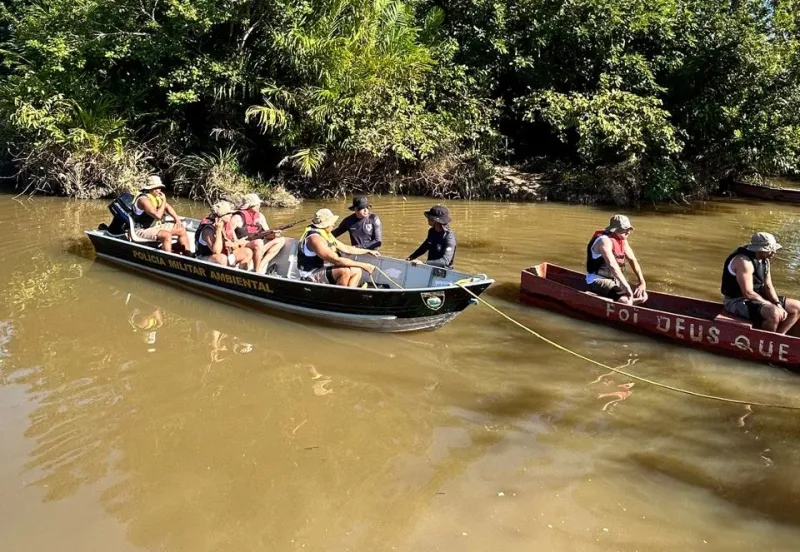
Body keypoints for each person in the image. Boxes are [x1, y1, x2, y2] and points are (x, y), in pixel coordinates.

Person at [721, 232, 800, 334]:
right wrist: (770, 305)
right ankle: (767, 342)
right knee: (773, 313)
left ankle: (779, 337)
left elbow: (768, 286)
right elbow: (748, 293)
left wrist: (777, 304)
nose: (774, 252)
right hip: (737, 301)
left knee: (797, 307)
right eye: (770, 250)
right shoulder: (743, 262)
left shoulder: (765, 260)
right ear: (760, 250)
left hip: (757, 297)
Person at [297, 208, 380, 287]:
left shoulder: (326, 234)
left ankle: (350, 294)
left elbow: (346, 248)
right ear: (325, 225)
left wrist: (367, 251)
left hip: (323, 269)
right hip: (310, 274)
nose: (333, 225)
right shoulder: (315, 239)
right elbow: (337, 261)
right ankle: (339, 295)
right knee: (345, 271)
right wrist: (364, 265)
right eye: (332, 223)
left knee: (357, 270)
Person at [585, 214, 648, 305]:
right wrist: (626, 286)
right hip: (598, 279)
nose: (628, 232)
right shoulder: (604, 241)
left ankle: (624, 302)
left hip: (615, 279)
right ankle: (607, 300)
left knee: (643, 296)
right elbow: (612, 265)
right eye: (624, 229)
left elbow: (632, 260)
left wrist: (642, 282)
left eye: (629, 229)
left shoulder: (622, 240)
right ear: (614, 229)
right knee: (625, 300)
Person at [131, 176, 191, 254]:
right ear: (149, 188)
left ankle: (188, 255)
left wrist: (177, 219)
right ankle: (169, 259)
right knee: (166, 235)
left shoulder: (157, 197)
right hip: (143, 229)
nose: (158, 190)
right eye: (154, 188)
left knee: (181, 229)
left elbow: (168, 208)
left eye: (159, 187)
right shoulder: (143, 200)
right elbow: (158, 216)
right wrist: (164, 200)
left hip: (156, 225)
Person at [230, 193, 286, 274]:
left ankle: (260, 267)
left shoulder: (260, 216)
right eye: (256, 205)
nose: (259, 206)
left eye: (259, 204)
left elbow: (267, 233)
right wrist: (237, 242)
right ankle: (256, 272)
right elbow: (230, 234)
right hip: (245, 244)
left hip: (258, 244)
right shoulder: (237, 218)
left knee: (281, 240)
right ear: (248, 206)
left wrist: (274, 234)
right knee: (259, 242)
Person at [194, 201, 253, 270]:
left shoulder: (227, 225)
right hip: (205, 257)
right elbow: (216, 251)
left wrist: (234, 244)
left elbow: (235, 245)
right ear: (221, 216)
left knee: (247, 252)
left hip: (225, 255)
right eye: (228, 213)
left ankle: (240, 276)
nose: (231, 215)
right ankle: (223, 277)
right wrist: (218, 230)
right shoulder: (208, 230)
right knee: (222, 259)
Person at [406, 205, 457, 269]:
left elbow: (445, 261)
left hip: (443, 271)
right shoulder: (432, 231)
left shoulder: (449, 238)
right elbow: (424, 247)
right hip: (430, 267)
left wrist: (424, 263)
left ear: (436, 221)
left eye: (430, 218)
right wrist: (410, 258)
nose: (428, 219)